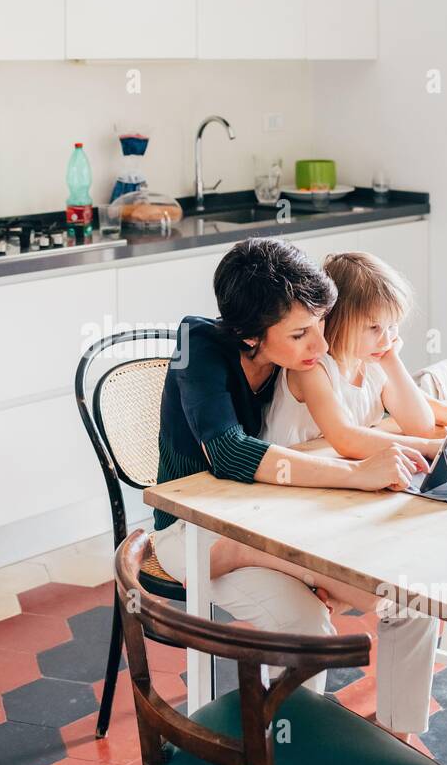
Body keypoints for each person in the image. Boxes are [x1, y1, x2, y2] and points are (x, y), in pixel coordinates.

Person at [151, 238, 426, 697]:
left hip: (270, 514)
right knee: (311, 631)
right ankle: (289, 747)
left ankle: (401, 736)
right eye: (300, 334)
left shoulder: (295, 357)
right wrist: (356, 475)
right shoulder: (197, 345)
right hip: (191, 530)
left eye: (320, 323)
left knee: (411, 604)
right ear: (251, 336)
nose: (320, 343)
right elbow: (229, 451)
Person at [260, 250, 447, 735]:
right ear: (337, 322)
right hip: (287, 503)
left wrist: (391, 360)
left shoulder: (371, 364)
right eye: (375, 328)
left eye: (392, 327)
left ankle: (399, 733)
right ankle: (301, 734)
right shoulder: (313, 368)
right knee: (409, 574)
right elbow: (347, 439)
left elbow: (416, 416)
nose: (386, 337)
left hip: (339, 500)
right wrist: (432, 445)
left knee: (419, 587)